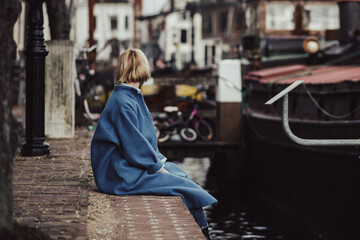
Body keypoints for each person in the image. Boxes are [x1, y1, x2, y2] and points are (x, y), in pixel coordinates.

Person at [91, 48, 217, 239]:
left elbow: (137, 140)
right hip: (118, 174)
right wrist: (156, 166)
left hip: (124, 165)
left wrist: (158, 163)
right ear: (141, 68)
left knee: (180, 174)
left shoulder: (129, 95)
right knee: (181, 185)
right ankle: (204, 233)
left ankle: (204, 231)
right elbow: (133, 144)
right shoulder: (123, 101)